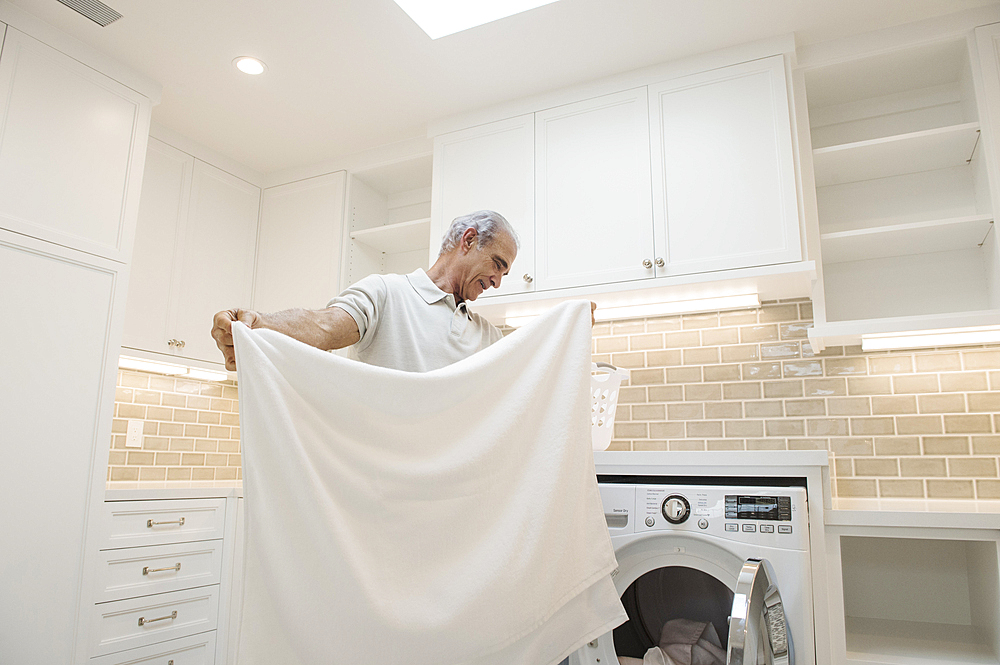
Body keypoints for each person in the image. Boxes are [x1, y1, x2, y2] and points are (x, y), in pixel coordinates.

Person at [213, 210, 571, 373]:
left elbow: (533, 367)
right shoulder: (385, 292)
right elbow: (324, 327)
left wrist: (569, 326)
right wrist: (256, 327)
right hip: (381, 490)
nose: (497, 280)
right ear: (469, 240)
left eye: (505, 272)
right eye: (497, 264)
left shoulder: (487, 336)